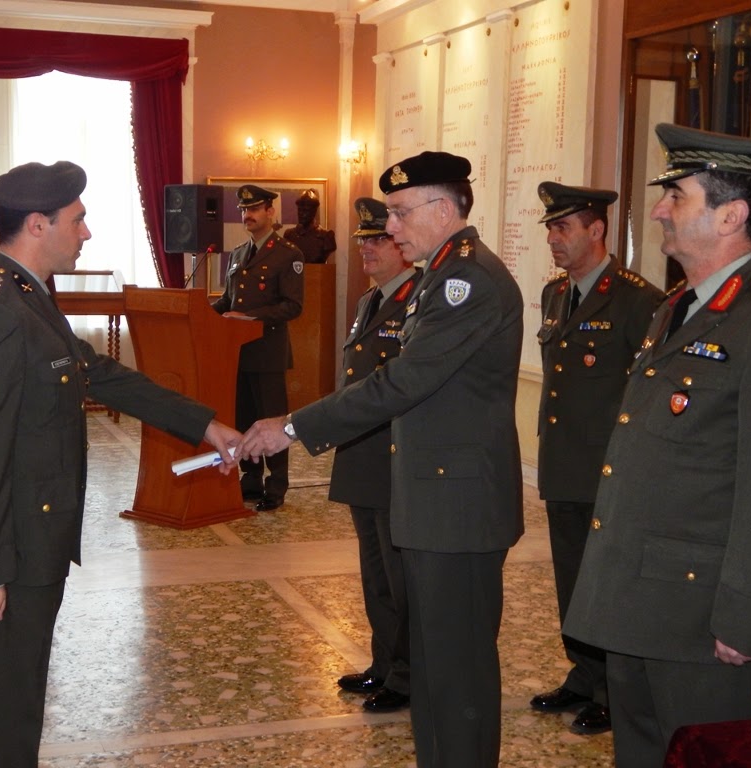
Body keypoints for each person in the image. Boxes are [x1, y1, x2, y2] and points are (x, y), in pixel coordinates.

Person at [0, 160, 240, 768]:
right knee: (3, 699)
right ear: (37, 225)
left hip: (33, 534)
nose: (86, 232)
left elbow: (95, 371)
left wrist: (202, 423)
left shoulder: (27, 295)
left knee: (14, 693)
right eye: (78, 219)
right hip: (12, 544)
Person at [239, 151, 524, 767]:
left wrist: (292, 426)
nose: (389, 228)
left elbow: (402, 382)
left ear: (442, 209)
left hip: (458, 507)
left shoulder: (467, 280)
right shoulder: (442, 274)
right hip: (435, 499)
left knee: (457, 671)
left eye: (399, 212)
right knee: (436, 665)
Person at [563, 124, 751, 768]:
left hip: (704, 620)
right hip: (637, 600)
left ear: (731, 215)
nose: (659, 211)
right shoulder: (677, 306)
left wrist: (748, 617)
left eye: (677, 196)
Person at [531, 182, 663, 735]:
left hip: (609, 471)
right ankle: (584, 674)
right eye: (550, 229)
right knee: (572, 578)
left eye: (563, 227)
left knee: (608, 584)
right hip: (564, 466)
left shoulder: (639, 300)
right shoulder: (555, 294)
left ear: (597, 229)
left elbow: (648, 394)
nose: (553, 239)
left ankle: (613, 691)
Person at [332, 197, 419, 714]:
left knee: (399, 576)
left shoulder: (417, 300)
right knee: (374, 573)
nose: (366, 248)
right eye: (363, 239)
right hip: (362, 457)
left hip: (392, 458)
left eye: (378, 239)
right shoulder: (371, 300)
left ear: (402, 246)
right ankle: (384, 663)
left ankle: (406, 676)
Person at [211, 185, 304, 512]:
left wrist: (249, 317)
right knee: (245, 419)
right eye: (243, 210)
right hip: (238, 353)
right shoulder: (238, 254)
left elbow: (293, 306)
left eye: (253, 209)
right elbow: (228, 301)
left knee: (271, 420)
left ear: (270, 211)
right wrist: (202, 313)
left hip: (267, 353)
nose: (247, 215)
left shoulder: (288, 254)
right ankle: (250, 480)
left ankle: (276, 485)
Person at [283, 188, 336, 264]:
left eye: (305, 210)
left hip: (316, 271)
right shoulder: (289, 235)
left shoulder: (326, 236)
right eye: (299, 210)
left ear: (314, 212)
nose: (301, 214)